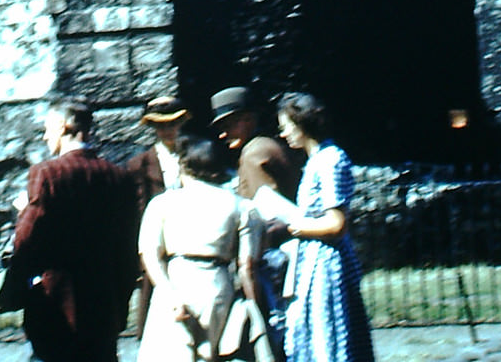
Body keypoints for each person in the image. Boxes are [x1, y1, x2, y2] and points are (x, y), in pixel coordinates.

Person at [11, 93, 139, 362]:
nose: (46, 137)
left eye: (47, 129)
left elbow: (24, 240)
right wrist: (121, 302)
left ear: (61, 127)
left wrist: (23, 213)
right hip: (103, 304)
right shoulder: (120, 177)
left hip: (55, 303)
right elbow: (128, 249)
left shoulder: (46, 174)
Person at [253, 92, 373, 362]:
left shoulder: (331, 159)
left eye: (287, 127)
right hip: (313, 260)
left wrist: (293, 225)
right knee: (314, 334)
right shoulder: (316, 161)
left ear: (303, 124)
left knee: (329, 333)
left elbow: (336, 224)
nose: (283, 134)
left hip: (327, 263)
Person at [137, 135, 259, 362]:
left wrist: (168, 293)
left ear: (184, 166)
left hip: (175, 281)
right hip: (217, 287)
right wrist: (256, 308)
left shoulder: (162, 204)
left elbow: (150, 254)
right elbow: (246, 266)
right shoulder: (242, 207)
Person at [211, 85, 294, 352]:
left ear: (247, 120)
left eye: (228, 125)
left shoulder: (254, 153)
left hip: (276, 258)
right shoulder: (264, 146)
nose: (222, 134)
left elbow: (267, 215)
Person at [129, 94, 191, 336]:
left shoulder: (196, 154)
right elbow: (137, 212)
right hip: (160, 243)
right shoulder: (140, 164)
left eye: (172, 123)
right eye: (161, 125)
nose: (167, 130)